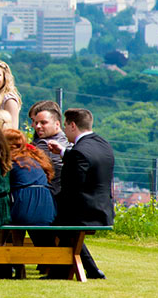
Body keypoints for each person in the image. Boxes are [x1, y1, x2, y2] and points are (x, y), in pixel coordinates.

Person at [46, 108, 114, 280]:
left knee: (48, 222)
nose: (64, 130)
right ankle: (86, 270)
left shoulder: (79, 151)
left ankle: (60, 270)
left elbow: (70, 188)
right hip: (103, 209)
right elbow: (86, 160)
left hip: (85, 212)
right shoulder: (102, 143)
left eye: (65, 126)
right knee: (64, 230)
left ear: (73, 125)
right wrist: (63, 152)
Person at [3, 129, 56, 226]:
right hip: (46, 204)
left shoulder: (11, 162)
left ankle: (1, 241)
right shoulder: (34, 159)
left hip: (23, 204)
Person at [28, 100, 68, 197]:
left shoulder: (46, 145)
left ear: (57, 123)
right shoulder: (68, 141)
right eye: (35, 121)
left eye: (43, 122)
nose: (35, 126)